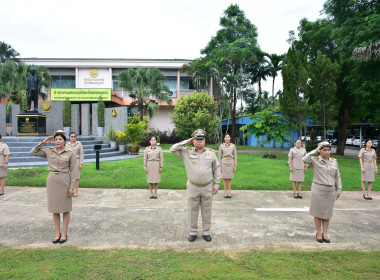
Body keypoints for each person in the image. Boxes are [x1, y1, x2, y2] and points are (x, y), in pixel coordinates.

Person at [170, 129, 221, 242]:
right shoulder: (186, 152)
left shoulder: (211, 153)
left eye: (201, 139)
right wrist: (187, 141)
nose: (199, 141)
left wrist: (217, 184)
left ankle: (206, 232)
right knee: (192, 210)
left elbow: (217, 168)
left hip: (208, 186)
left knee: (207, 210)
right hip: (193, 186)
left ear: (204, 140)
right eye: (196, 139)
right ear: (193, 140)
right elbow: (172, 149)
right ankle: (192, 232)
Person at [30, 130, 77, 244]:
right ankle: (57, 233)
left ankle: (64, 233)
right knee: (54, 209)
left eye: (60, 139)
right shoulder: (49, 151)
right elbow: (33, 152)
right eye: (56, 139)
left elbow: (74, 171)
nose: (58, 141)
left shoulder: (70, 153)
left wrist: (72, 187)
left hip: (64, 180)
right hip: (52, 181)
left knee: (65, 209)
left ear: (65, 141)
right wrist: (44, 142)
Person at [302, 141, 342, 243]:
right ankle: (318, 233)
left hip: (330, 191)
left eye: (328, 150)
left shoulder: (334, 162)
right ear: (320, 151)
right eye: (324, 150)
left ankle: (325, 233)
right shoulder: (315, 160)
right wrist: (315, 150)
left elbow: (337, 176)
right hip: (318, 189)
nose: (327, 152)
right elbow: (304, 159)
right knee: (318, 212)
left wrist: (339, 189)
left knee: (327, 213)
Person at [218, 133, 237, 198]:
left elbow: (235, 156)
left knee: (229, 178)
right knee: (224, 178)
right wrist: (219, 166)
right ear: (224, 138)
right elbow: (219, 156)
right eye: (226, 137)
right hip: (224, 163)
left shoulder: (233, 146)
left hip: (231, 162)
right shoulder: (221, 146)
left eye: (228, 137)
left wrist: (235, 165)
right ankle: (225, 192)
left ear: (230, 138)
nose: (227, 138)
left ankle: (229, 192)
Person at [66, 132, 84, 197]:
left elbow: (81, 154)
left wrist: (81, 163)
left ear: (76, 137)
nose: (73, 138)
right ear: (69, 137)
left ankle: (76, 191)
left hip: (76, 161)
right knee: (69, 177)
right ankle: (71, 190)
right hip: (69, 161)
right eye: (72, 136)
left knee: (76, 177)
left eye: (74, 136)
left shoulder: (79, 144)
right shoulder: (67, 145)